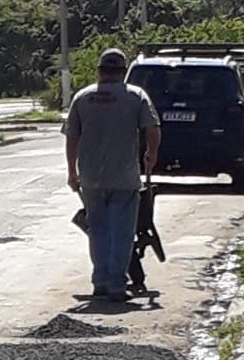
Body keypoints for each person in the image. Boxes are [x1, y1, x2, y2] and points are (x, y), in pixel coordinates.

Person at [63, 48, 161, 302]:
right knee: (121, 232)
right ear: (122, 73)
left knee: (98, 230)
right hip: (125, 177)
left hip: (91, 177)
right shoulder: (135, 96)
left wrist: (72, 171)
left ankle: (101, 281)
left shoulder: (82, 99)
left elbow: (72, 137)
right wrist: (151, 153)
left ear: (99, 71)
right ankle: (117, 283)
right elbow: (152, 127)